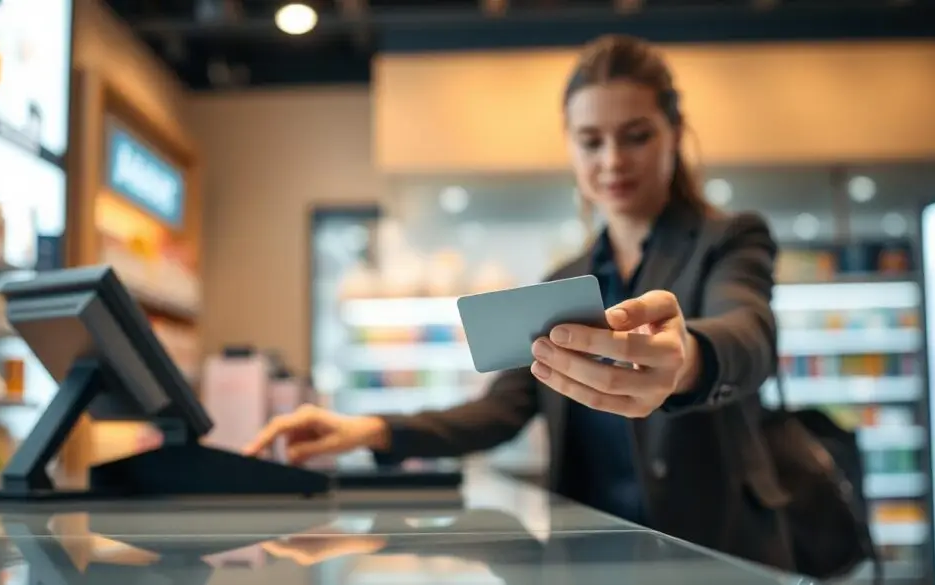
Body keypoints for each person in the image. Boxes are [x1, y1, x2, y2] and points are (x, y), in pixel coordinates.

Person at [246, 35, 793, 570]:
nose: (613, 160)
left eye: (636, 136)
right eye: (590, 141)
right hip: (590, 559)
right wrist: (372, 430)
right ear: (571, 147)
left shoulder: (729, 239)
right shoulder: (565, 279)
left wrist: (689, 359)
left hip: (718, 556)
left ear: (674, 134)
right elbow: (501, 408)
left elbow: (749, 331)